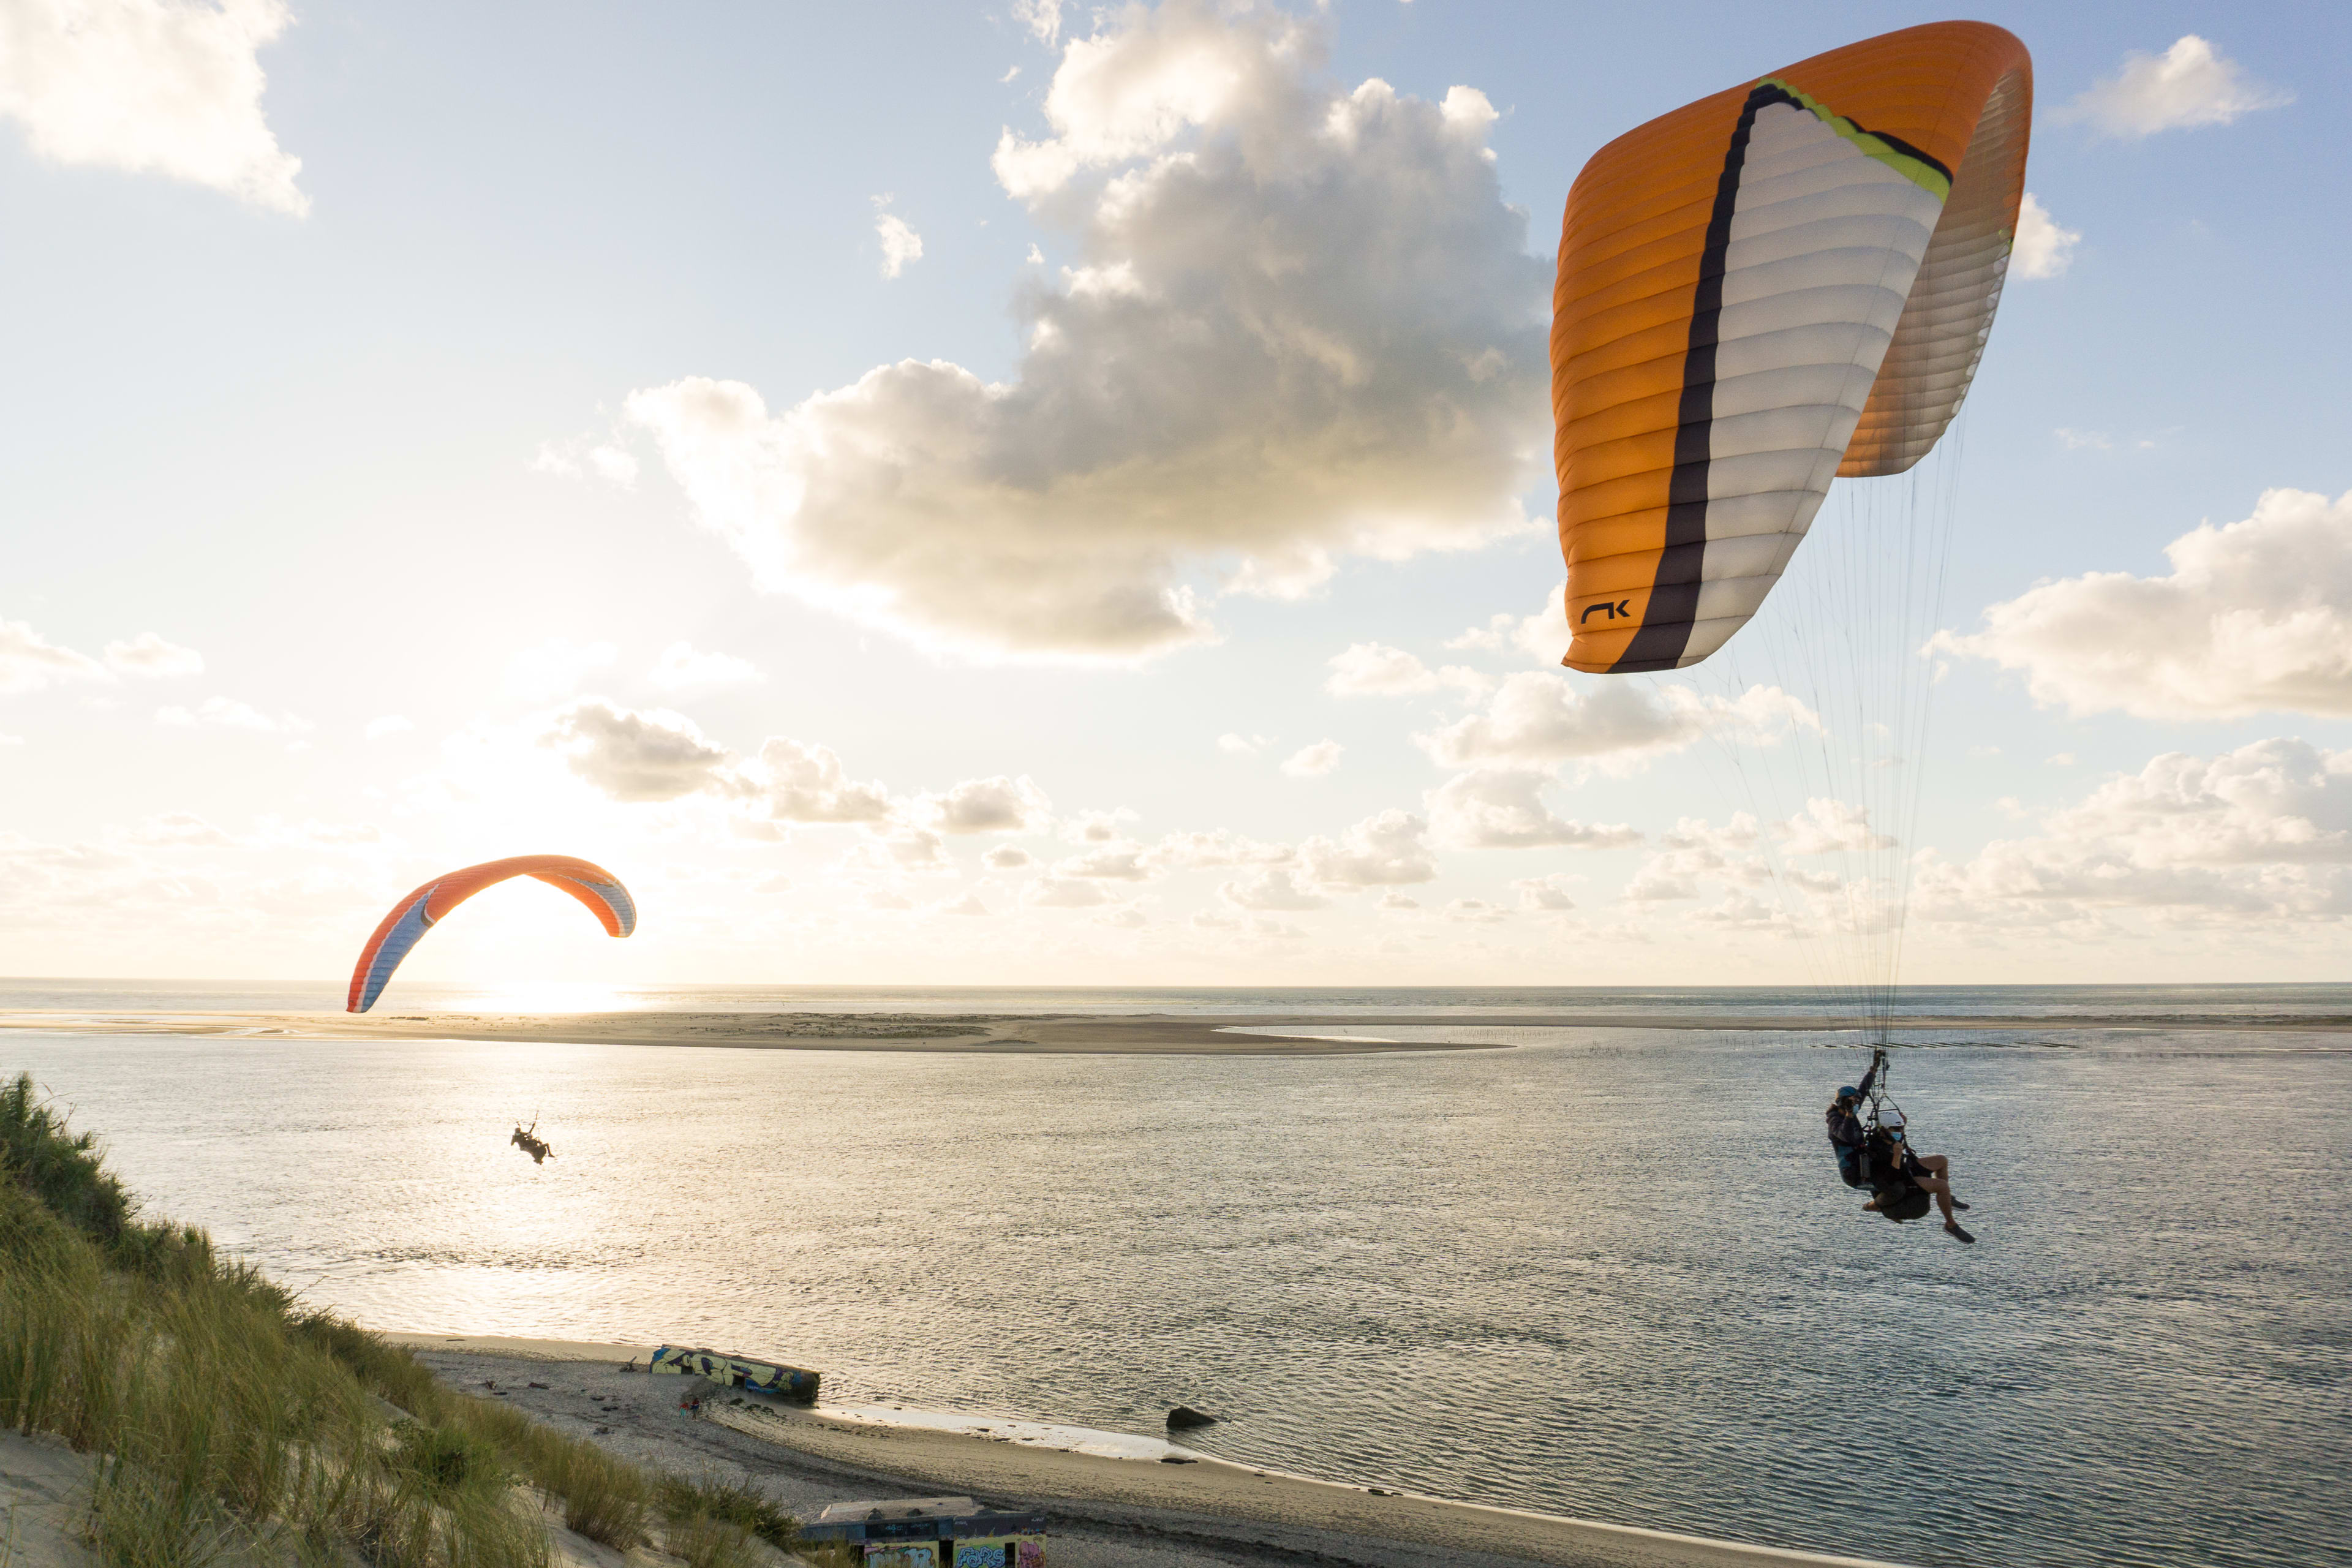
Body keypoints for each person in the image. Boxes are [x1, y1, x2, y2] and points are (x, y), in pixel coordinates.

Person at [1862, 1108, 1973, 1243]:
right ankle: (1951, 1225)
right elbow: (1891, 1179)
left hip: (1905, 1168)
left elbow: (1897, 1137)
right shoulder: (1878, 1149)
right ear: (1884, 1130)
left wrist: (1902, 1124)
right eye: (1897, 1129)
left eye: (1902, 1128)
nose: (1901, 1132)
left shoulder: (1888, 1138)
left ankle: (1947, 1198)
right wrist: (1897, 1155)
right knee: (1942, 1186)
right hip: (1900, 1180)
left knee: (1941, 1160)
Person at [1825, 1049, 1883, 1188]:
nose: (1857, 1104)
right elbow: (1845, 1136)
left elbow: (1863, 1090)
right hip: (1852, 1172)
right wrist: (1850, 1115)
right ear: (1844, 1103)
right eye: (1853, 1102)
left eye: (1856, 1102)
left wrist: (1873, 1070)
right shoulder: (1834, 1121)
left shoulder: (1850, 1110)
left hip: (1862, 1163)